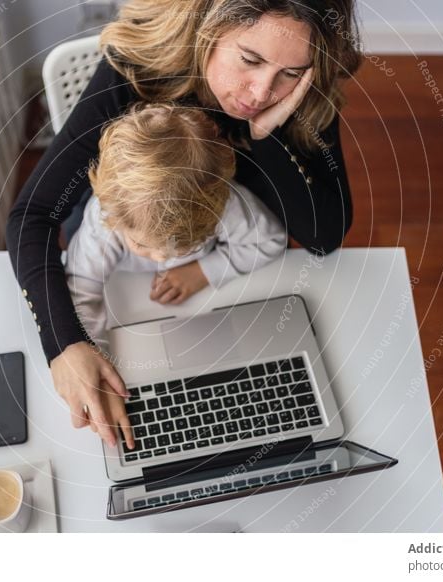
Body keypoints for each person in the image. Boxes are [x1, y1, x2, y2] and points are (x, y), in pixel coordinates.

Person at [6, 0, 362, 448]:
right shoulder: (136, 72)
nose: (259, 92)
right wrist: (65, 344)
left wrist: (266, 134)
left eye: (290, 73)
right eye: (249, 60)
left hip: (223, 253)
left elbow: (324, 235)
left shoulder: (298, 92)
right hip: (124, 222)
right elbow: (33, 215)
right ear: (208, 28)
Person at [65, 103, 287, 448]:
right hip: (108, 266)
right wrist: (101, 370)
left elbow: (271, 239)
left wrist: (203, 270)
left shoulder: (223, 204)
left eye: (179, 250)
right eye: (143, 245)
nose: (160, 260)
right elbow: (82, 287)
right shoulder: (107, 218)